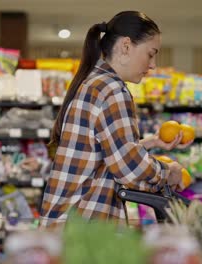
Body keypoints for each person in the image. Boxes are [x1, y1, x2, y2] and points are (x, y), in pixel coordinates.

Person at [41, 11, 192, 227]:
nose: (153, 65)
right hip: (84, 229)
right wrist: (170, 173)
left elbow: (102, 153)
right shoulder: (113, 90)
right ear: (126, 46)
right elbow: (129, 170)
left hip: (65, 224)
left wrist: (151, 142)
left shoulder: (95, 82)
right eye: (151, 54)